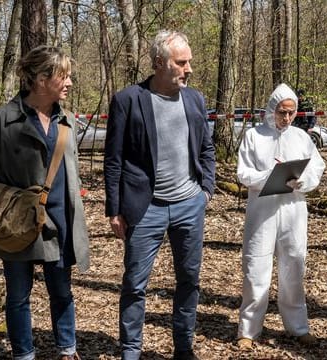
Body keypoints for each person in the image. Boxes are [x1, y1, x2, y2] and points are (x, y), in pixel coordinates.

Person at [103, 30, 215, 360]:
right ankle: (131, 351)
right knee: (135, 285)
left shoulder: (195, 99)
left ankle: (184, 348)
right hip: (144, 208)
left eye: (189, 61)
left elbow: (207, 148)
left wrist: (205, 191)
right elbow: (114, 159)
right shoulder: (128, 100)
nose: (189, 68)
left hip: (189, 205)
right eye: (181, 62)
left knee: (189, 281)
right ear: (158, 63)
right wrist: (114, 208)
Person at [0, 46, 89, 360]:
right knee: (18, 297)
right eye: (64, 76)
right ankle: (23, 354)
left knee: (62, 293)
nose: (69, 82)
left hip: (61, 223)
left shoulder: (68, 121)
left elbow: (73, 169)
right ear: (41, 80)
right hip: (15, 227)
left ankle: (67, 351)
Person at [236, 83, 325, 350]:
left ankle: (298, 327)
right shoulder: (254, 136)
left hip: (293, 210)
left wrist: (303, 181)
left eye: (291, 112)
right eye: (281, 112)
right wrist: (269, 177)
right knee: (256, 268)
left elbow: (317, 167)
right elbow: (243, 173)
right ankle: (248, 330)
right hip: (262, 211)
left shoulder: (301, 137)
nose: (286, 118)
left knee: (294, 266)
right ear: (271, 109)